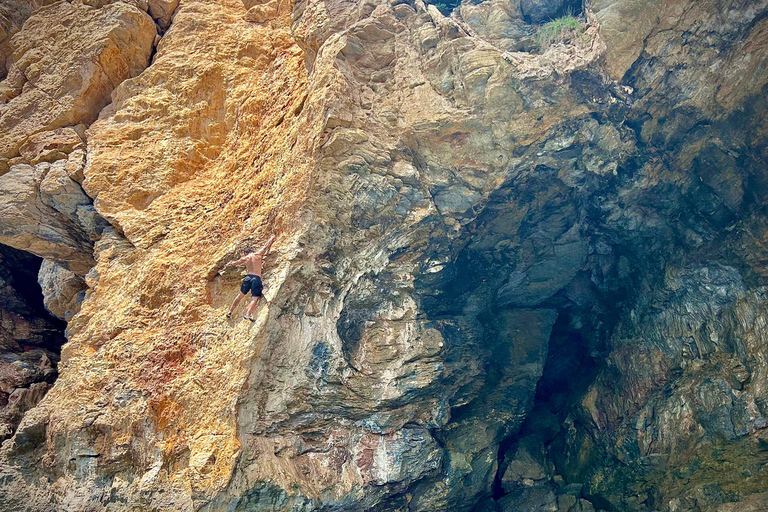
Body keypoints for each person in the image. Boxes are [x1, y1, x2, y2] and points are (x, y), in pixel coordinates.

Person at [224, 234, 276, 321]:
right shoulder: (258, 254)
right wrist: (271, 238)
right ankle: (247, 315)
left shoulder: (245, 258)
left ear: (245, 253)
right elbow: (266, 246)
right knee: (254, 298)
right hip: (256, 278)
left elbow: (235, 263)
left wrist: (231, 262)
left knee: (240, 295)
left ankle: (230, 311)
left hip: (247, 278)